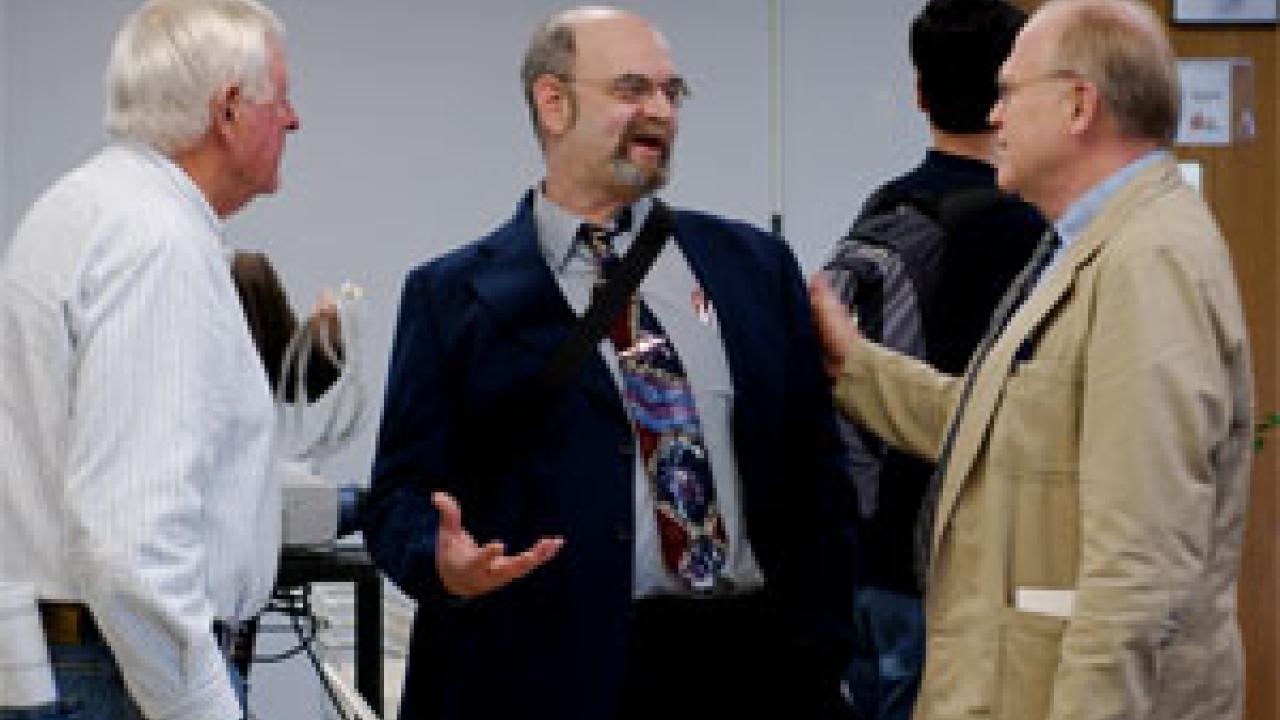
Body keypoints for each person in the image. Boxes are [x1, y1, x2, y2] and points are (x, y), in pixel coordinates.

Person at [363, 6, 857, 719]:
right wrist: (441, 566)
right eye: (633, 90)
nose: (661, 112)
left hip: (753, 670)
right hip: (551, 676)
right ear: (553, 102)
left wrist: (822, 645)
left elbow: (820, 481)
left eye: (672, 93)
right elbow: (399, 497)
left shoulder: (754, 268)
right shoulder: (453, 296)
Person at [811, 1, 1253, 718]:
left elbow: (1139, 565)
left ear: (1079, 105)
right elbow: (998, 427)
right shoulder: (1085, 246)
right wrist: (853, 365)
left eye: (1011, 90)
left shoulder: (1148, 262)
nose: (996, 112)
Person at [0, 1, 299, 718]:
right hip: (121, 676)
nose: (292, 120)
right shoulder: (159, 243)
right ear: (228, 110)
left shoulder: (82, 207)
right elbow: (132, 543)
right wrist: (204, 707)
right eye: (281, 98)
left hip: (73, 661)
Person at [824, 1, 1044, 718]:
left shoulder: (885, 205)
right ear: (1011, 95)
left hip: (864, 557)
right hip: (953, 575)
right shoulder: (1021, 229)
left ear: (919, 93)